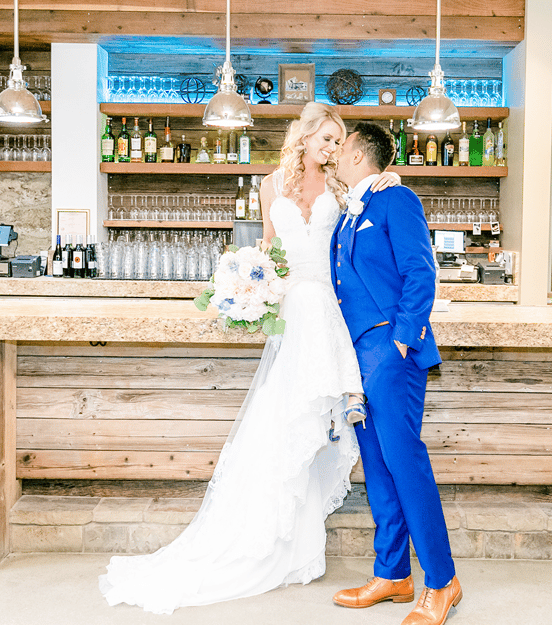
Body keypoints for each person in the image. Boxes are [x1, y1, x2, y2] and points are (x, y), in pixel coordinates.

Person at [99, 103, 398, 614]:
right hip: (294, 318)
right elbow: (272, 253)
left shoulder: (346, 188)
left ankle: (301, 546)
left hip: (331, 310)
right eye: (325, 138)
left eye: (338, 141)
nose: (331, 148)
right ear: (303, 138)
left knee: (317, 431)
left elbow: (360, 232)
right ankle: (266, 540)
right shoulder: (270, 185)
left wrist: (389, 176)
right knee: (285, 428)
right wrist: (251, 285)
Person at [331, 123, 462, 625]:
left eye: (342, 147)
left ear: (361, 153)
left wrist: (401, 342)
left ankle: (442, 580)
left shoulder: (396, 199)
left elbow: (420, 271)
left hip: (390, 353)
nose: (336, 154)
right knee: (378, 467)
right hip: (353, 358)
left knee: (406, 465)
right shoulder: (351, 210)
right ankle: (392, 574)